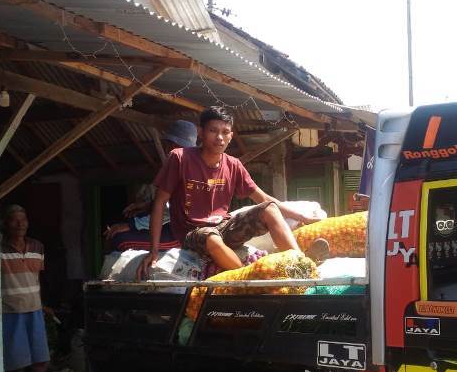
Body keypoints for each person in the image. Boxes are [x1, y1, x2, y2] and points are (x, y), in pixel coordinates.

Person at [137, 106, 328, 280]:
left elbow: (263, 198)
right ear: (201, 133)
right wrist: (153, 250)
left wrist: (303, 217)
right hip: (192, 233)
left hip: (223, 226)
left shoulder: (233, 165)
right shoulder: (180, 158)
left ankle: (301, 265)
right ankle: (250, 279)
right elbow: (160, 202)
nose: (219, 137)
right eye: (213, 131)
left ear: (231, 136)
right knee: (211, 236)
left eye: (225, 132)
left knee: (268, 208)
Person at [0, 204, 70, 372]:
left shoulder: (37, 247)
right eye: (14, 219)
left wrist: (43, 305)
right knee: (14, 366)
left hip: (34, 312)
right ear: (5, 223)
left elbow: (37, 279)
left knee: (40, 362)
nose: (20, 223)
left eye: (23, 219)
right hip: (10, 313)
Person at [103, 120, 199, 251]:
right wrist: (146, 206)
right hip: (174, 227)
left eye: (167, 144)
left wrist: (132, 225)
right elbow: (171, 204)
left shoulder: (184, 171)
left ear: (172, 145)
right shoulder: (185, 167)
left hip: (179, 235)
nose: (166, 149)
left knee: (119, 239)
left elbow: (166, 212)